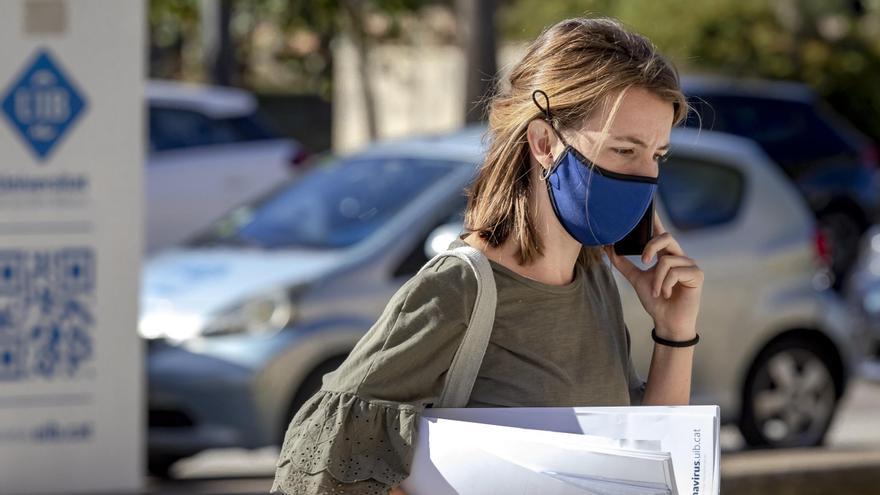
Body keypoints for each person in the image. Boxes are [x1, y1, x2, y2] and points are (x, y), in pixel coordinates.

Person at [271, 16, 704, 495]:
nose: (646, 177)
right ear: (544, 142)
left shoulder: (597, 283)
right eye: (624, 149)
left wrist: (674, 333)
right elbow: (317, 458)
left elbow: (650, 462)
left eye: (658, 156)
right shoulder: (458, 290)